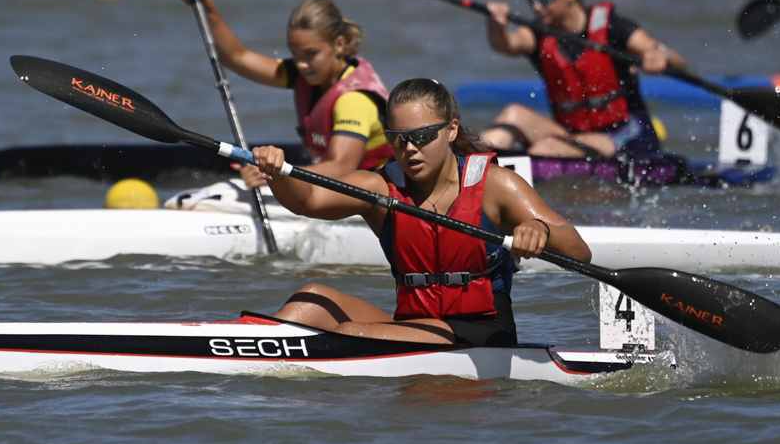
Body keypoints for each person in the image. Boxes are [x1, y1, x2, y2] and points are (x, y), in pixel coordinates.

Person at [250, 78, 591, 347]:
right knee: (309, 300)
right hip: (414, 327)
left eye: (423, 136)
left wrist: (538, 229)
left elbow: (580, 250)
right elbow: (308, 200)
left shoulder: (495, 184)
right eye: (399, 139)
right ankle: (244, 347)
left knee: (353, 332)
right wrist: (278, 173)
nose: (410, 149)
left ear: (452, 130)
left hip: (482, 332)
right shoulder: (381, 188)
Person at [179, 0, 392, 184]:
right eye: (295, 54)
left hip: (374, 195)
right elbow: (238, 58)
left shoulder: (354, 100)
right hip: (330, 185)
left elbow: (341, 167)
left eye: (311, 54)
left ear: (339, 44)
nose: (301, 64)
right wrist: (205, 2)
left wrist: (275, 173)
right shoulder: (306, 73)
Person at [479, 0, 686, 159]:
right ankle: (470, 161)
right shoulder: (540, 33)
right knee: (512, 115)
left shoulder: (612, 27)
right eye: (531, 0)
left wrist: (660, 55)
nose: (536, 8)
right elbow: (506, 44)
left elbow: (678, 62)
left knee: (546, 148)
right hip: (573, 136)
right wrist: (495, 25)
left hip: (628, 137)